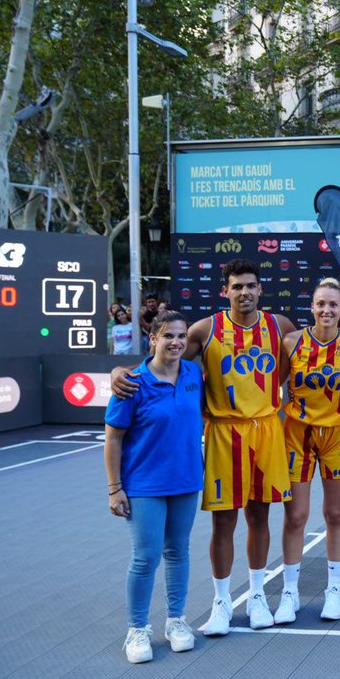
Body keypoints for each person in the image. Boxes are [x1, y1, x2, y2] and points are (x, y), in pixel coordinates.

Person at [113, 259, 297, 635]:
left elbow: (290, 369)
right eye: (237, 286)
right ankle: (222, 601)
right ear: (225, 291)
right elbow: (164, 360)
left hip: (265, 430)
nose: (244, 292)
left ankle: (258, 595)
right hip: (224, 433)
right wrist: (122, 372)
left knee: (259, 517)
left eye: (250, 286)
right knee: (223, 522)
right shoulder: (205, 329)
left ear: (261, 289)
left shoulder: (280, 327)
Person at [105, 311, 204, 663]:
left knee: (178, 551)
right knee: (145, 557)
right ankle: (137, 629)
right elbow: (113, 439)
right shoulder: (131, 382)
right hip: (144, 484)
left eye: (181, 336)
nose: (176, 342)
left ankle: (176, 621)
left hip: (186, 480)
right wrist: (115, 488)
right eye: (168, 336)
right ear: (153, 339)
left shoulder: (194, 373)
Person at [274, 279, 340, 624]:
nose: (327, 310)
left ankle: (334, 591)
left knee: (336, 514)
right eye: (320, 304)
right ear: (311, 307)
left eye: (333, 305)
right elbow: (273, 384)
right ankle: (290, 593)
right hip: (297, 434)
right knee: (295, 517)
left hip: (339, 434)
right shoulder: (291, 342)